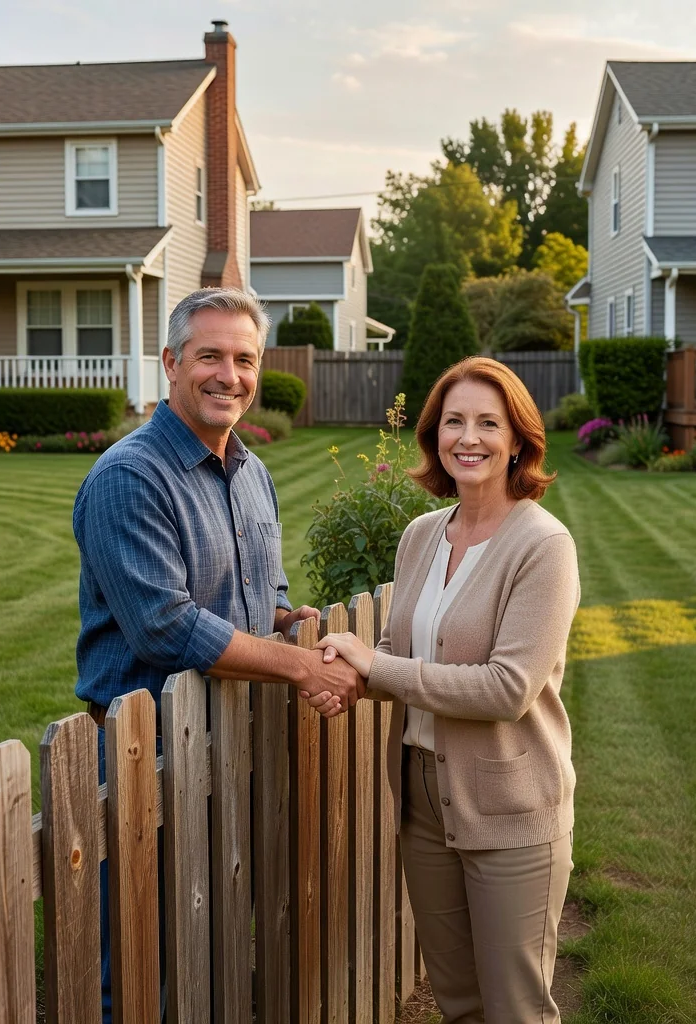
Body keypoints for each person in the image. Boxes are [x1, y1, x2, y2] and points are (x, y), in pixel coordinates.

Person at [73, 287, 363, 1023]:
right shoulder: (128, 478)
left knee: (210, 931)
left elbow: (259, 589)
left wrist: (286, 618)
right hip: (146, 753)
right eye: (210, 356)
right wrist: (301, 667)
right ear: (171, 363)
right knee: (138, 956)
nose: (228, 375)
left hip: (226, 739)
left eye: (244, 359)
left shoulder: (251, 472)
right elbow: (166, 628)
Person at [306, 356, 580, 1024]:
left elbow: (505, 690)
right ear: (433, 435)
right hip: (424, 802)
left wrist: (374, 667)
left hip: (511, 805)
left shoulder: (543, 546)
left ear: (518, 440)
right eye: (454, 420)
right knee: (457, 1002)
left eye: (490, 422)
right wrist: (350, 678)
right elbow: (408, 657)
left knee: (515, 1009)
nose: (470, 437)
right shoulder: (423, 535)